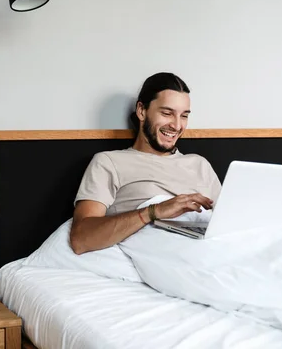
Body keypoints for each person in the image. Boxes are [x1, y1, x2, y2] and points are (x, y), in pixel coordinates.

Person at [70, 72, 222, 255]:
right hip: (161, 252)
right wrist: (154, 211)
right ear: (142, 111)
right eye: (167, 113)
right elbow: (81, 239)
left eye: (184, 116)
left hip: (206, 250)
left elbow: (228, 227)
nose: (176, 125)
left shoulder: (199, 164)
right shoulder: (109, 162)